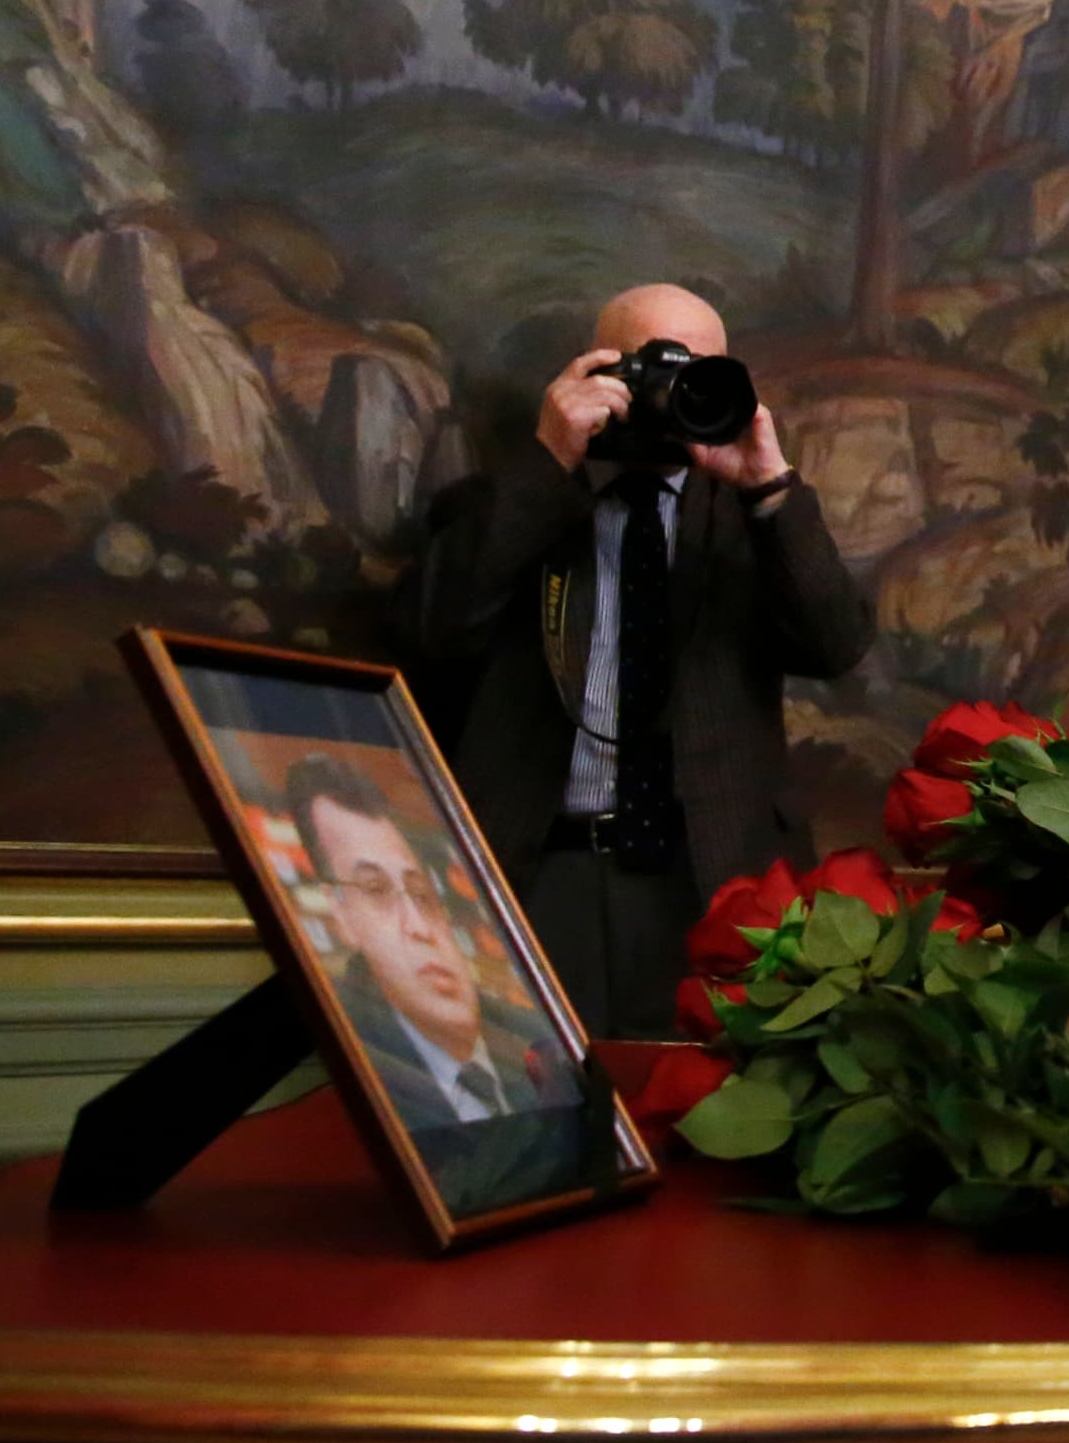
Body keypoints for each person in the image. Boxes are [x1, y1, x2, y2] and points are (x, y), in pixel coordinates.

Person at [413, 284, 872, 1036]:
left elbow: (836, 644)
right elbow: (433, 630)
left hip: (717, 875)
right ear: (595, 372)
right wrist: (547, 460)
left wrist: (768, 487)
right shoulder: (516, 498)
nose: (669, 392)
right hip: (541, 868)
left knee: (706, 1118)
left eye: (695, 371)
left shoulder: (753, 516)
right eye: (648, 368)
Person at [284, 753, 596, 1216]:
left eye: (423, 894)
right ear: (340, 916)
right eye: (375, 890)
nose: (419, 926)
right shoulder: (371, 1067)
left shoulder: (535, 1040)